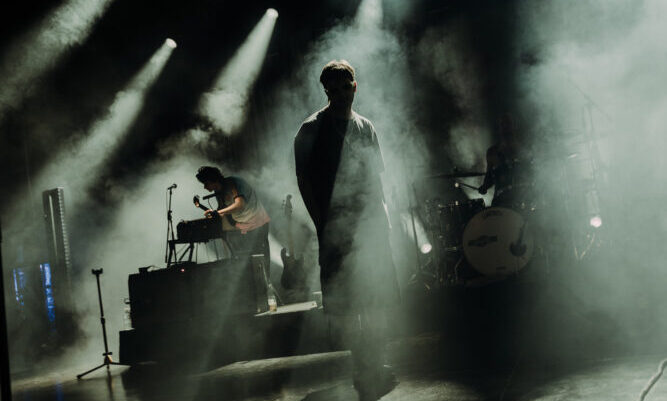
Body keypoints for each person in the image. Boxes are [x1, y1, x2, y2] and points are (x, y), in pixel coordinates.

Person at [294, 60, 399, 400]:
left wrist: (383, 219)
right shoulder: (311, 129)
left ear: (355, 86)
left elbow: (376, 178)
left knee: (375, 296)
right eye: (333, 90)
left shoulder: (366, 126)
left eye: (345, 87)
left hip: (370, 226)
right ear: (326, 91)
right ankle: (361, 366)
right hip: (337, 228)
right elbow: (304, 180)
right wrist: (321, 223)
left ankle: (375, 362)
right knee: (350, 302)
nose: (340, 95)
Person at [195, 166, 271, 271]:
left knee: (260, 259)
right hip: (243, 226)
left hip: (258, 223)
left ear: (213, 179)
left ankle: (265, 280)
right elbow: (223, 210)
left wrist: (218, 212)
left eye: (206, 183)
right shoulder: (217, 192)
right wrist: (213, 213)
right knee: (246, 261)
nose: (204, 187)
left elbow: (240, 204)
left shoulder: (233, 183)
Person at [478, 113, 534, 208]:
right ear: (499, 128)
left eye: (508, 123)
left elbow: (532, 175)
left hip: (523, 200)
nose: (505, 127)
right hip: (501, 202)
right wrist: (484, 187)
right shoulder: (492, 152)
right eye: (502, 124)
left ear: (514, 126)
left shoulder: (524, 150)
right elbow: (489, 178)